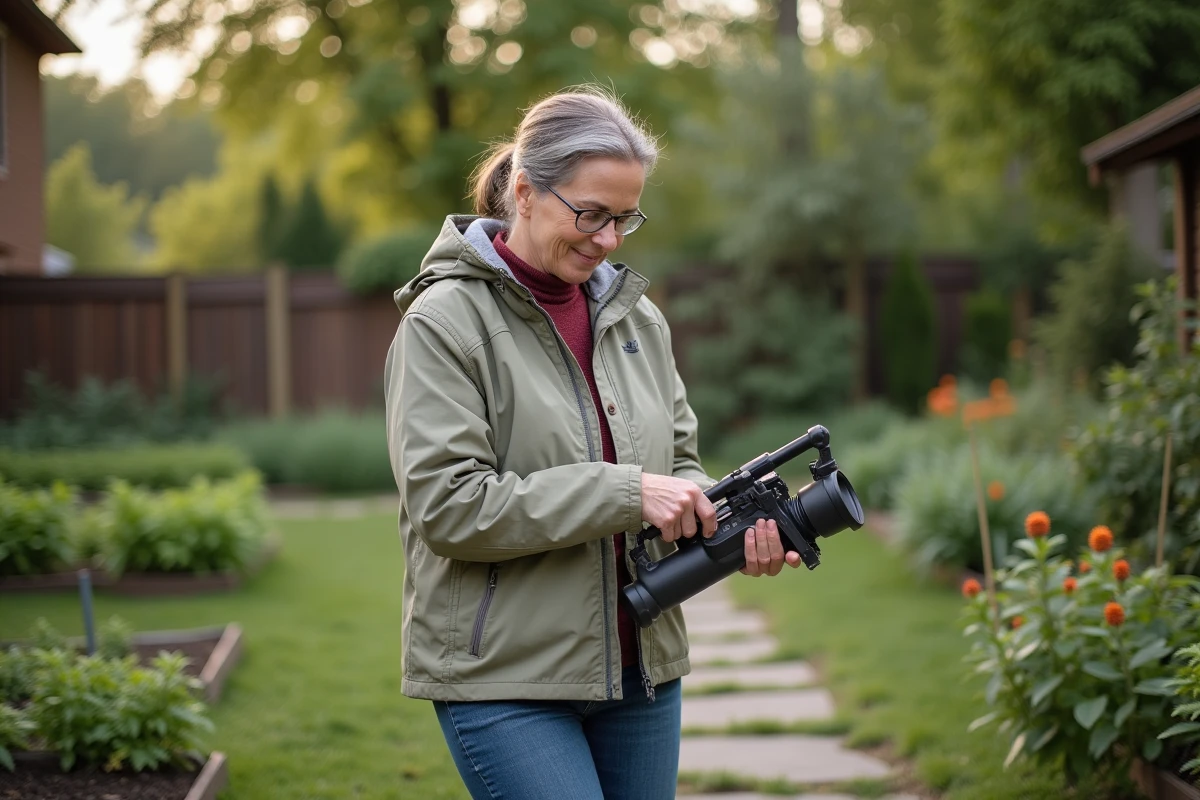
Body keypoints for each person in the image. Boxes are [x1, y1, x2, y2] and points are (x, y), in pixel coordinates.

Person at [384, 85, 801, 800]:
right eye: (590, 213)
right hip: (505, 680)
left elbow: (680, 464)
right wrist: (630, 491)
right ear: (523, 191)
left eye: (625, 219)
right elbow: (449, 507)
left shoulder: (640, 321)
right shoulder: (442, 322)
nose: (608, 240)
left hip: (643, 669)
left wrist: (726, 525)